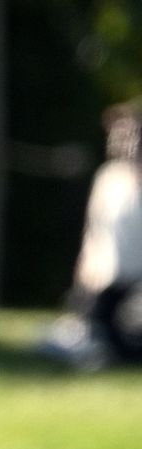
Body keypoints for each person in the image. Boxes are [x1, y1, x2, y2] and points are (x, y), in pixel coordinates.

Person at [39, 100, 142, 370]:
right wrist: (86, 268)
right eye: (117, 135)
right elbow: (95, 230)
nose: (121, 142)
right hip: (107, 281)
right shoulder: (109, 177)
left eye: (130, 134)